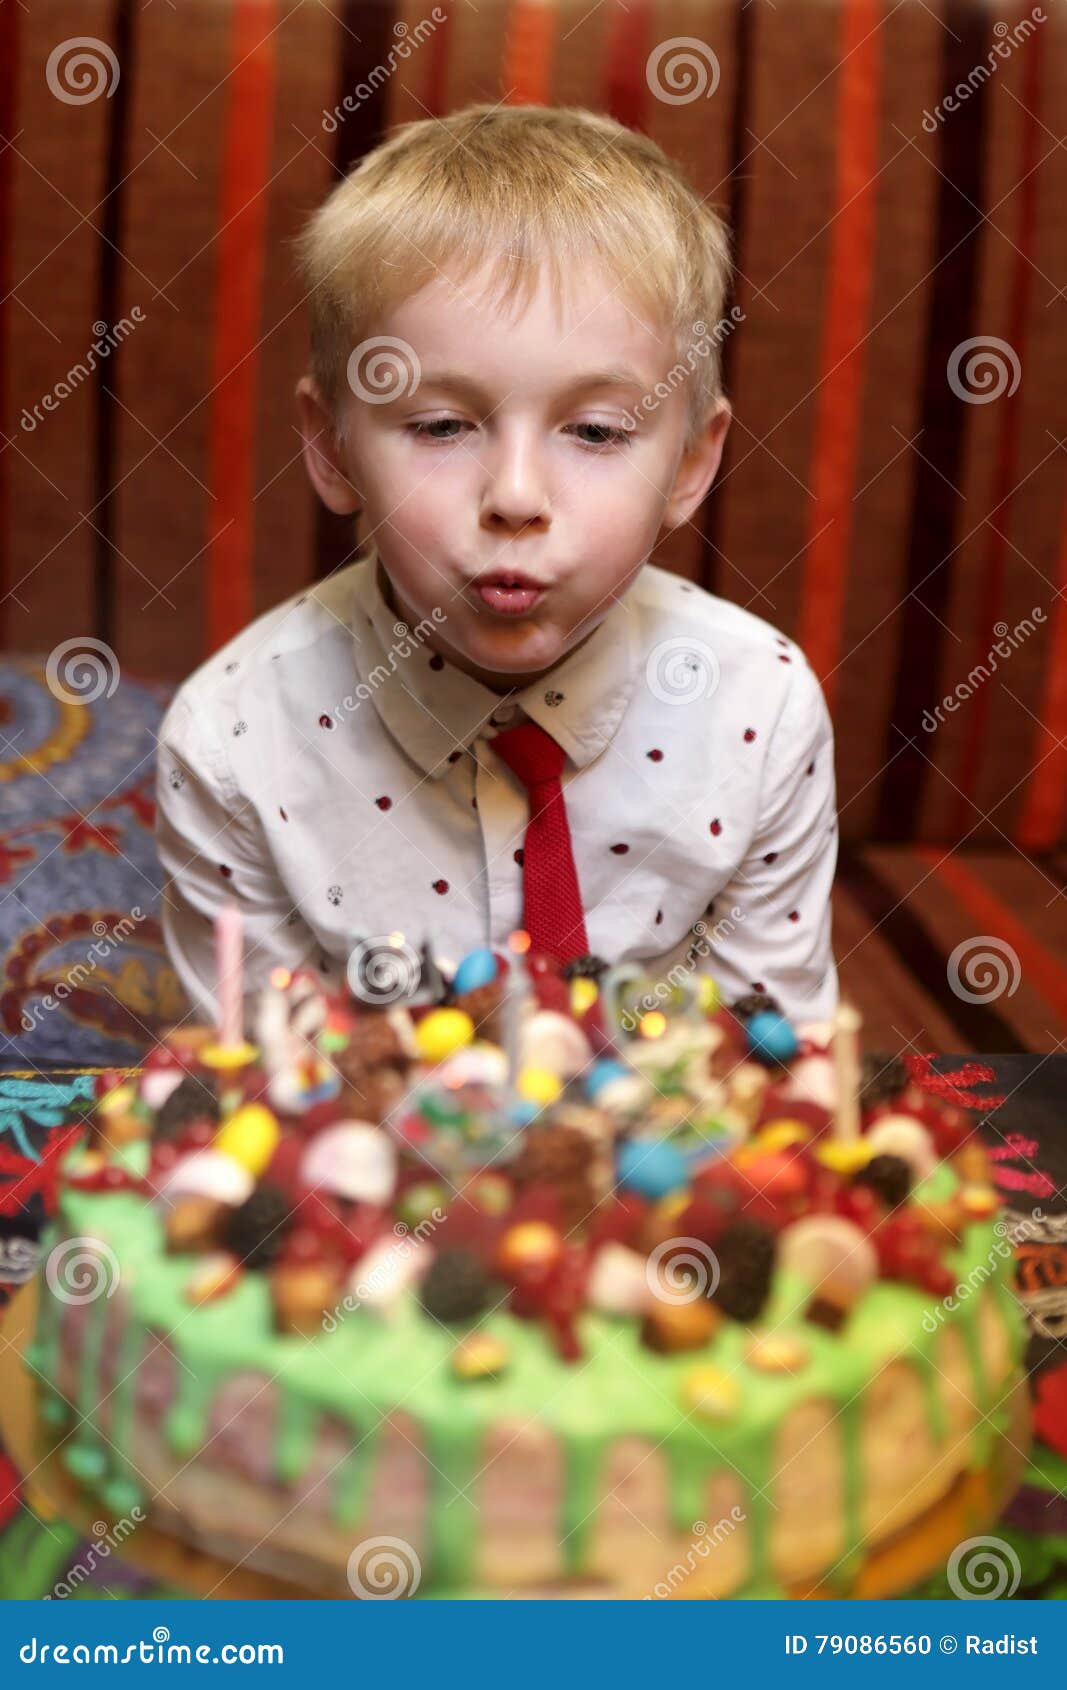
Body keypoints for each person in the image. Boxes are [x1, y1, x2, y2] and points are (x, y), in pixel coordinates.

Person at [156, 102, 839, 1031]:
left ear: (687, 464)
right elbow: (260, 1095)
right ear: (332, 449)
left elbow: (776, 1062)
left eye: (596, 431)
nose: (515, 497)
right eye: (441, 425)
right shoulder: (233, 742)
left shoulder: (760, 708)